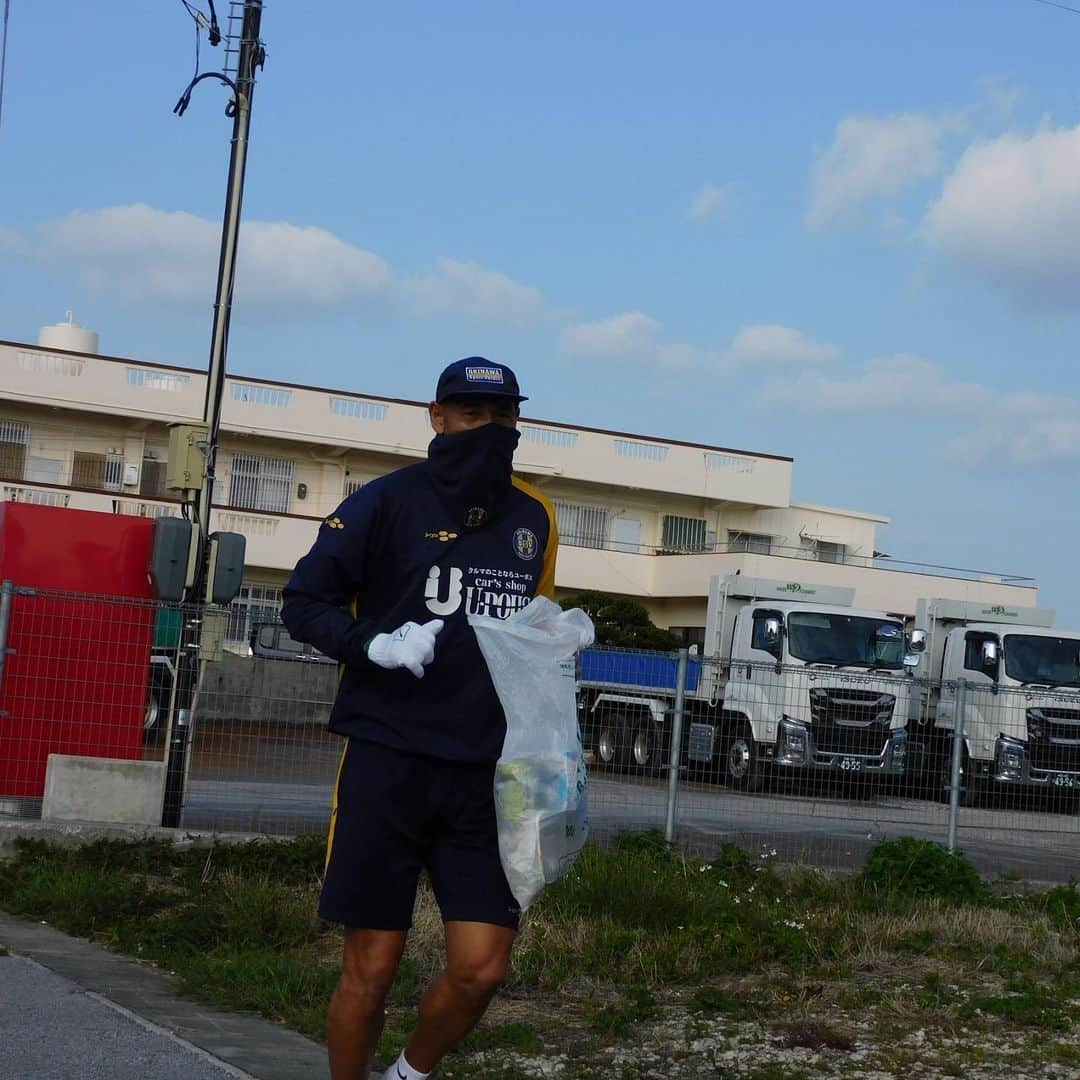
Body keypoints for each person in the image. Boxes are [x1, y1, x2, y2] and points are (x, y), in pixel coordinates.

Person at [281, 357, 559, 1080]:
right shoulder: (385, 502)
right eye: (470, 414)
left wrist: (557, 654)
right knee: (370, 970)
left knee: (483, 968)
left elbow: (532, 634)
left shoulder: (536, 517)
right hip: (388, 759)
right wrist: (371, 643)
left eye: (502, 417)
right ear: (436, 417)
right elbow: (301, 602)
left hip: (486, 775)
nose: (488, 429)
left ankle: (409, 1074)